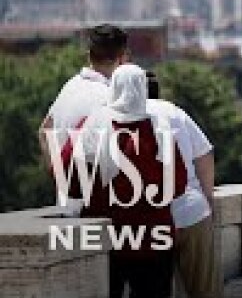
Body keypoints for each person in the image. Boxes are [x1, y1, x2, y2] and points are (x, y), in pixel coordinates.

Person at [64, 64, 188, 298]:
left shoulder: (91, 126)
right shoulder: (160, 130)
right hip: (153, 238)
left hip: (105, 241)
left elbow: (71, 181)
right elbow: (178, 184)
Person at [148, 75, 223, 298]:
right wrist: (207, 197)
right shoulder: (172, 111)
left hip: (148, 219)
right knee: (204, 289)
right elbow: (205, 154)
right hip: (191, 211)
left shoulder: (120, 117)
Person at [40, 24, 128, 211]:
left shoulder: (70, 87)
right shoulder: (111, 98)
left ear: (89, 55)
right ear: (122, 58)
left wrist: (60, 179)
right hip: (95, 209)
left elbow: (44, 131)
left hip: (66, 205)